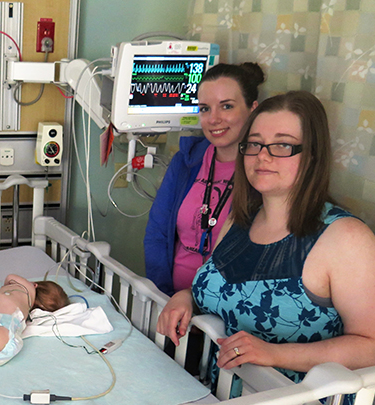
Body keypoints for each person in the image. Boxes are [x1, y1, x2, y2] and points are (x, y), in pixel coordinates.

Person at [156, 91, 375, 393]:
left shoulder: (345, 238)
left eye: (282, 144)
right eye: (255, 143)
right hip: (218, 390)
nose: (263, 156)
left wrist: (274, 354)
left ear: (312, 155)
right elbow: (220, 290)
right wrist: (186, 297)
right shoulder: (239, 220)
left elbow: (370, 346)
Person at [144, 62, 265, 296]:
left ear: (253, 109)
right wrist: (162, 296)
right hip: (171, 301)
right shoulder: (186, 161)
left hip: (226, 311)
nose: (214, 119)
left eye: (226, 106)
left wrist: (209, 304)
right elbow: (157, 234)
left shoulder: (263, 171)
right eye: (205, 109)